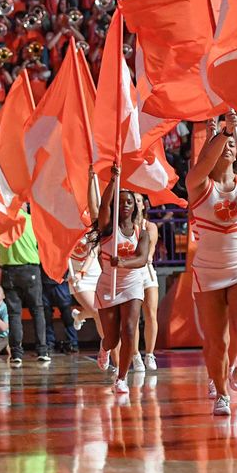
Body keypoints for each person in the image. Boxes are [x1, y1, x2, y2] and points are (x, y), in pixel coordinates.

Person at [187, 112, 237, 415]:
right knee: (216, 341)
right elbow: (207, 159)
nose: (229, 146)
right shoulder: (198, 182)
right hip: (208, 271)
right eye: (223, 143)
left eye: (233, 143)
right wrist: (224, 131)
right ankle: (220, 393)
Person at [95, 169, 150, 394]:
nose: (126, 204)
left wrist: (123, 263)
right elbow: (102, 206)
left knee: (129, 329)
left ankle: (121, 378)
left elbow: (142, 259)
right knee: (112, 337)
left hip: (132, 284)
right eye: (122, 201)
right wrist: (113, 180)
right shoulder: (108, 227)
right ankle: (104, 349)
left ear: (134, 207)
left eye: (130, 202)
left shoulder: (142, 233)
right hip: (109, 284)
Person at [0, 207, 50, 367]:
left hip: (9, 270)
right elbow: (43, 246)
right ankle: (42, 351)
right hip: (31, 269)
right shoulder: (32, 220)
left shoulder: (0, 222)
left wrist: (5, 264)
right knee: (37, 310)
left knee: (14, 314)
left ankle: (16, 354)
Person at [133, 194, 160, 372]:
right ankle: (135, 355)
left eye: (138, 201)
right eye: (131, 201)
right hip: (130, 272)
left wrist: (148, 256)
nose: (135, 204)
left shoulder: (149, 226)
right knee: (133, 318)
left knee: (150, 313)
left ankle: (149, 354)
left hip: (147, 270)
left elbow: (151, 244)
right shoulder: (123, 227)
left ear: (144, 205)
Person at [41, 267, 79, 354]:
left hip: (60, 279)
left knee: (67, 314)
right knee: (46, 315)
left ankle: (73, 342)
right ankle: (49, 343)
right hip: (44, 280)